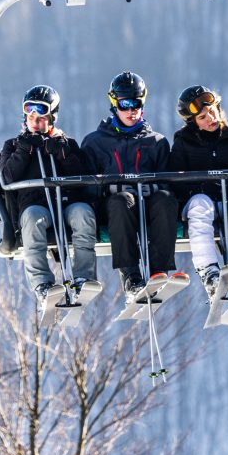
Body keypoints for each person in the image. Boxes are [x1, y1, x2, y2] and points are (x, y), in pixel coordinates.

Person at [0, 85, 99, 314]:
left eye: (41, 116)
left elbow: (83, 175)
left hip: (65, 204)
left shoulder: (66, 143)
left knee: (83, 213)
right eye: (30, 114)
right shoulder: (14, 146)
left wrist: (63, 154)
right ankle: (43, 284)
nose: (35, 120)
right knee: (33, 219)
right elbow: (7, 176)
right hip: (36, 206)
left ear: (51, 117)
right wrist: (24, 151)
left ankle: (83, 276)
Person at [81, 72, 179, 295]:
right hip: (115, 209)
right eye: (125, 104)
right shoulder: (95, 142)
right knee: (121, 200)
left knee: (165, 199)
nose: (131, 110)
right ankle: (131, 276)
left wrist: (153, 189)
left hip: (149, 205)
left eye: (136, 103)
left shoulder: (156, 142)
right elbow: (87, 186)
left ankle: (158, 272)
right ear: (114, 104)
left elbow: (166, 181)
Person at [169, 86, 228, 298]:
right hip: (200, 203)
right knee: (200, 204)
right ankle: (209, 271)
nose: (210, 118)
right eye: (203, 117)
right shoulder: (183, 143)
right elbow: (176, 180)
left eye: (213, 111)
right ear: (193, 121)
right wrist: (197, 189)